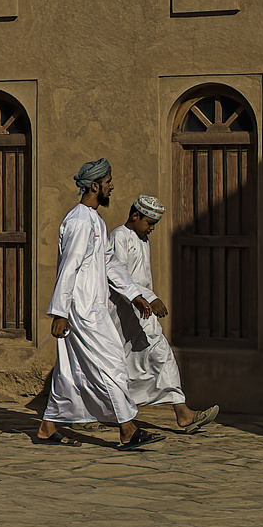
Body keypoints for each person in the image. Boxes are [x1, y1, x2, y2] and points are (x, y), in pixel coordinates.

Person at [35, 159, 163, 451]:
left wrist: (134, 293)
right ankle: (127, 429)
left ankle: (48, 425)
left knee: (72, 368)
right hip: (81, 309)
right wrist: (59, 312)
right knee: (111, 364)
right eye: (108, 182)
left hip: (93, 307)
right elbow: (69, 268)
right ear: (95, 186)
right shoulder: (79, 221)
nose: (112, 186)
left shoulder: (94, 220)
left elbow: (109, 262)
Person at [111, 195, 220, 433]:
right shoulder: (119, 236)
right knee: (115, 363)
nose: (151, 229)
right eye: (149, 223)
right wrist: (149, 298)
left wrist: (148, 298)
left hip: (142, 312)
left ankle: (183, 413)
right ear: (135, 216)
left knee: (162, 353)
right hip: (123, 312)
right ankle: (101, 411)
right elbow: (118, 275)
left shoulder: (142, 240)